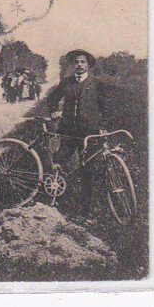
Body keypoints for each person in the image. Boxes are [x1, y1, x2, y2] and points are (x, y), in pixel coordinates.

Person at [46, 49, 108, 213]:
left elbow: (105, 107)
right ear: (72, 65)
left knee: (87, 168)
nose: (79, 65)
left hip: (89, 132)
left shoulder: (97, 84)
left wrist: (102, 126)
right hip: (68, 131)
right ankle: (54, 200)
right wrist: (53, 111)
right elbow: (52, 98)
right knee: (59, 163)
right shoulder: (66, 83)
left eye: (83, 62)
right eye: (76, 62)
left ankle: (85, 208)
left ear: (88, 65)